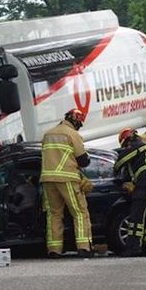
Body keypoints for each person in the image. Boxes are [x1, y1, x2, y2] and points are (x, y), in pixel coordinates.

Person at [40, 109, 93, 258]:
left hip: (47, 180)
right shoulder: (72, 134)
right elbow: (83, 160)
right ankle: (84, 247)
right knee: (79, 212)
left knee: (53, 215)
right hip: (67, 178)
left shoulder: (47, 134)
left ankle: (54, 250)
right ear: (76, 121)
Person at [114, 128, 146, 257]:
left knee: (137, 211)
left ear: (127, 140)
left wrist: (115, 171)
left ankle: (133, 247)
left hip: (145, 177)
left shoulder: (136, 146)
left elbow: (120, 162)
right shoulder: (145, 148)